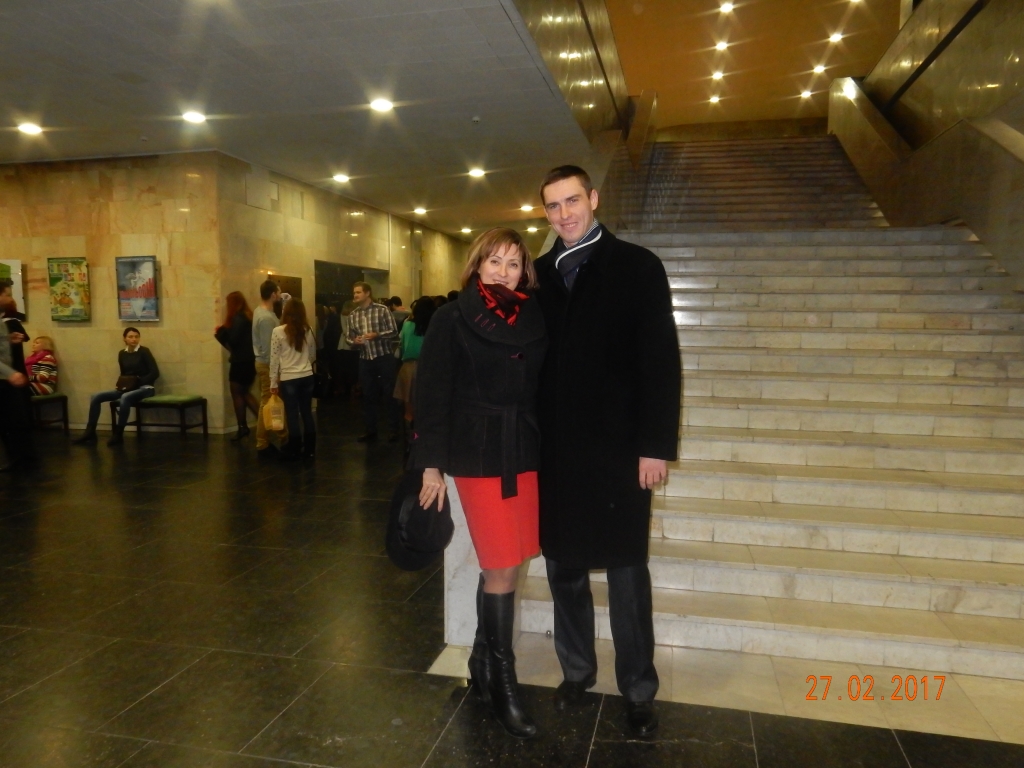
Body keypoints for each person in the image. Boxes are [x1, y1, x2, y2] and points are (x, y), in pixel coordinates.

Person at [534, 165, 681, 736]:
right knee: (563, 568)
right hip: (557, 452)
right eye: (553, 206)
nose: (564, 214)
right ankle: (577, 672)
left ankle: (638, 688)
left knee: (626, 574)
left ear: (593, 199)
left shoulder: (637, 266)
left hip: (620, 451)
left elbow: (660, 362)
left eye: (572, 200)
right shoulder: (540, 276)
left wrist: (655, 447)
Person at [416, 228, 547, 739]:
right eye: (494, 261)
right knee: (502, 566)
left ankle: (481, 661)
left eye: (513, 264)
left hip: (525, 450)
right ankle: (503, 683)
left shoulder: (535, 315)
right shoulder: (452, 317)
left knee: (506, 561)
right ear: (477, 265)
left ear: (524, 272)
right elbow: (431, 393)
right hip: (477, 452)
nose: (503, 272)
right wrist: (430, 463)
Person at [73, 327, 161, 446]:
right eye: (130, 337)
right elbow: (124, 373)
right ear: (124, 339)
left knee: (125, 397)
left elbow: (155, 373)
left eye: (136, 336)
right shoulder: (122, 353)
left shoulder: (144, 351)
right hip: (128, 387)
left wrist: (138, 382)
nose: (134, 339)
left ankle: (118, 434)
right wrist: (121, 385)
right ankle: (90, 431)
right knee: (96, 396)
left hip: (145, 388)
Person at [346, 281, 399, 443]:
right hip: (365, 358)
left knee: (389, 394)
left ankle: (393, 430)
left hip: (384, 357)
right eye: (354, 293)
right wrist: (354, 341)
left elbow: (394, 331)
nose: (355, 295)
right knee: (368, 395)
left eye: (358, 292)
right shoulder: (353, 315)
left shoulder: (382, 310)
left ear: (367, 293)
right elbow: (348, 337)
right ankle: (371, 430)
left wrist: (377, 335)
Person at [269, 297, 317, 461]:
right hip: (307, 375)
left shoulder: (278, 331)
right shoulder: (308, 330)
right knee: (307, 412)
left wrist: (273, 381)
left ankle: (295, 448)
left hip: (289, 377)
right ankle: (310, 449)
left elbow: (274, 359)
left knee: (292, 414)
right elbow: (312, 354)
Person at [0, 280, 36, 473]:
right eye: (6, 294)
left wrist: (9, 339)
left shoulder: (3, 319)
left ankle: (22, 458)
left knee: (17, 419)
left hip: (6, 378)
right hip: (4, 377)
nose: (9, 298)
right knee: (10, 419)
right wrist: (11, 373)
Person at [215, 291, 259, 441]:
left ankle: (245, 426)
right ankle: (256, 424)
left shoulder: (238, 318)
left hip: (240, 363)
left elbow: (233, 341)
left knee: (238, 394)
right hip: (249, 361)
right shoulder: (248, 317)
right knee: (245, 393)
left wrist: (222, 332)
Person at [253, 279, 288, 458]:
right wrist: (275, 372)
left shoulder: (261, 311)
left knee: (268, 401)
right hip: (267, 364)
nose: (280, 295)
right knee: (267, 402)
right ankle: (263, 442)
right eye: (279, 292)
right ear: (273, 294)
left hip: (265, 363)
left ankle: (277, 437)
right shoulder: (266, 318)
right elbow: (269, 349)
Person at [392, 296, 435, 428]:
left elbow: (403, 345)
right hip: (430, 368)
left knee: (408, 405)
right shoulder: (435, 326)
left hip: (408, 366)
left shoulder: (407, 325)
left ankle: (411, 435)